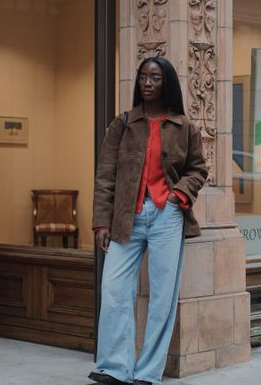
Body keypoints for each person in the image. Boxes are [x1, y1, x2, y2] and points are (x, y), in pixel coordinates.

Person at [89, 57, 208, 385]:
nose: (147, 82)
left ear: (166, 82)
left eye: (155, 77)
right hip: (127, 216)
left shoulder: (185, 127)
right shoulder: (123, 124)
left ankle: (147, 373)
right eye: (143, 76)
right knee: (113, 288)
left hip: (167, 216)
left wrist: (176, 196)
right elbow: (105, 176)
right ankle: (115, 367)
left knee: (162, 297)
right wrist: (101, 223)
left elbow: (198, 170)